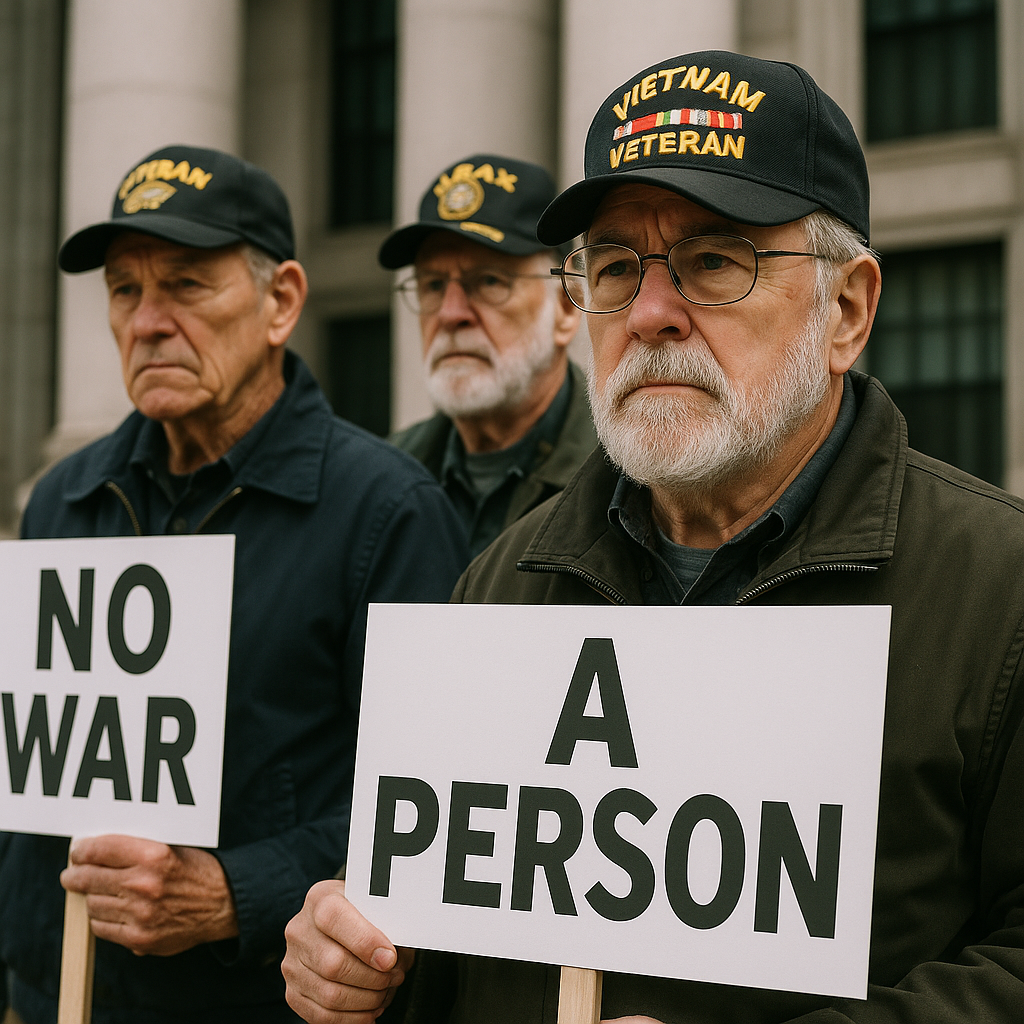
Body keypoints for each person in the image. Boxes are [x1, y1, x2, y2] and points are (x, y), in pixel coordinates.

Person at [281, 50, 1024, 1023]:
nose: (650, 314)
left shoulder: (997, 592)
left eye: (715, 261)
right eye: (617, 267)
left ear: (846, 310)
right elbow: (445, 947)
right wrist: (358, 959)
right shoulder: (499, 584)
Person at [0, 144, 468, 1024]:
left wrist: (231, 891)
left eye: (185, 286)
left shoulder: (388, 511)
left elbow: (436, 814)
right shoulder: (66, 497)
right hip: (53, 991)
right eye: (125, 289)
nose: (146, 321)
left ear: (281, 300)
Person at [381, 154, 597, 556]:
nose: (450, 314)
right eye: (431, 285)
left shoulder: (627, 476)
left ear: (567, 307)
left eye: (489, 281)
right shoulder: (383, 477)